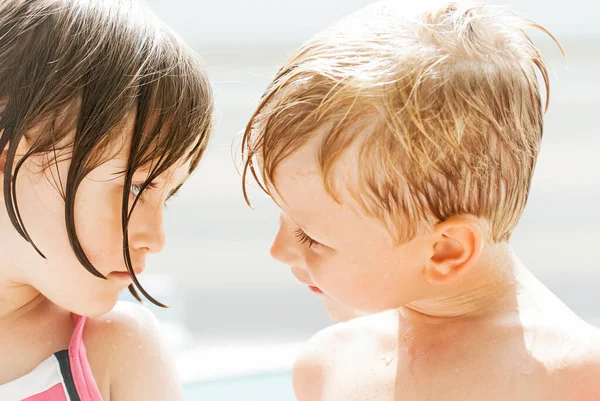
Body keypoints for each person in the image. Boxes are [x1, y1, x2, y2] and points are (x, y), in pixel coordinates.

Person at [241, 1, 600, 399]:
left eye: (311, 237)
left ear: (445, 251)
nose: (278, 250)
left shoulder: (575, 378)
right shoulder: (328, 366)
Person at [0, 1, 213, 400]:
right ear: (7, 159)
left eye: (165, 198)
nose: (156, 237)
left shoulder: (116, 352)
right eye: (135, 189)